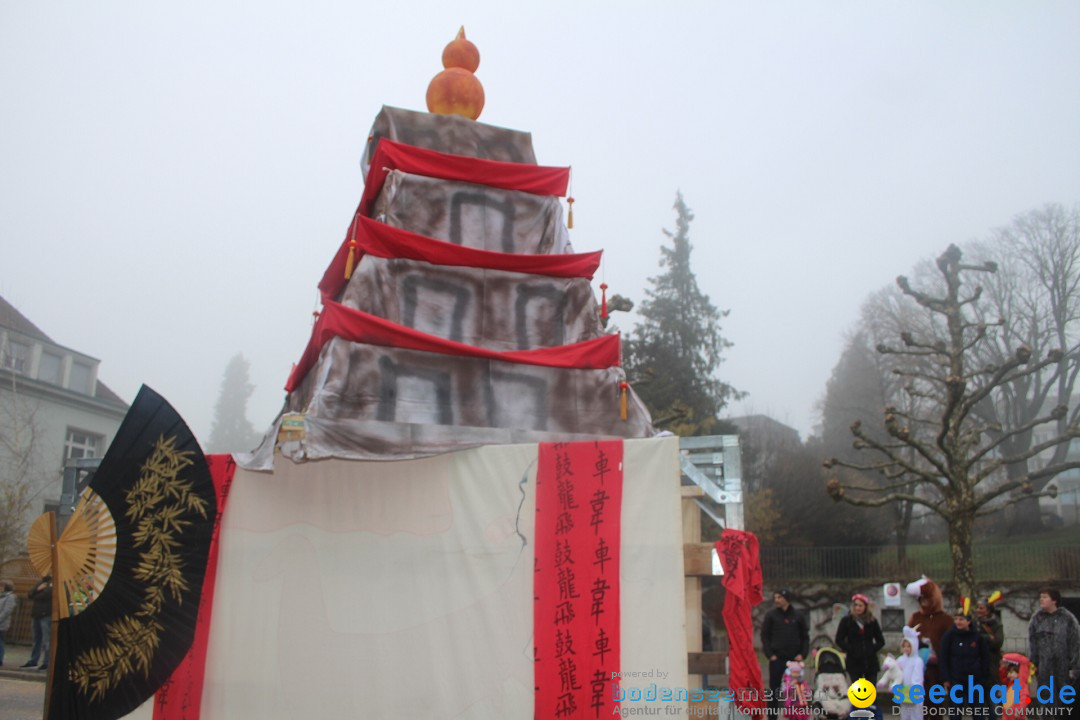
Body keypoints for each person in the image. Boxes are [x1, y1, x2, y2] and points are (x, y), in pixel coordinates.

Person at [1027, 587, 1080, 709]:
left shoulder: (1067, 619)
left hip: (1064, 668)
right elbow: (1032, 642)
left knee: (1065, 701)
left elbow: (1075, 643)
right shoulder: (1037, 619)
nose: (1041, 599)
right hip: (1044, 668)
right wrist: (1033, 664)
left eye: (1045, 597)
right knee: (1046, 700)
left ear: (1054, 600)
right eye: (1040, 597)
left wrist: (1075, 667)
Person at [762, 589, 809, 717]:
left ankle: (796, 716)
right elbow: (765, 636)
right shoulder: (771, 616)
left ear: (786, 599)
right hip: (777, 659)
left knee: (796, 690)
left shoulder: (798, 616)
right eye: (775, 597)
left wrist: (802, 654)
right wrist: (770, 654)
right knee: (774, 690)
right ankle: (772, 717)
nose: (776, 600)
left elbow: (805, 636)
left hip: (794, 660)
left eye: (779, 597)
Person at [939, 606, 990, 714]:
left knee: (978, 711)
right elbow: (943, 657)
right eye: (956, 619)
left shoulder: (977, 636)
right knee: (955, 711)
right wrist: (946, 678)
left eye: (961, 619)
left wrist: (983, 676)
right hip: (955, 680)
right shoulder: (949, 636)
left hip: (975, 680)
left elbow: (985, 657)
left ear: (968, 621)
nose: (958, 622)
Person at [906, 576, 953, 687]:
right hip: (917, 664)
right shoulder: (916, 617)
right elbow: (907, 638)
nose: (924, 603)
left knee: (935, 695)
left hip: (938, 666)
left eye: (927, 600)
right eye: (921, 600)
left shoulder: (945, 619)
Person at [834, 593, 885, 681]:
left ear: (865, 607)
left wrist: (871, 649)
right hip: (854, 662)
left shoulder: (872, 621)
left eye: (860, 605)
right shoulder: (846, 621)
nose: (858, 608)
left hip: (870, 662)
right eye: (856, 605)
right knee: (858, 690)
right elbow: (839, 639)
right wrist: (851, 649)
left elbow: (881, 641)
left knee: (870, 690)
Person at [22, 575, 52, 670]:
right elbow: (30, 594)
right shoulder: (40, 583)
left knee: (46, 640)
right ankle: (33, 660)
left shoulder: (53, 583)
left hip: (46, 614)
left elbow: (46, 595)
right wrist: (38, 589)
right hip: (36, 614)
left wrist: (37, 593)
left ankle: (46, 662)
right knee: (36, 639)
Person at [895, 626, 925, 720]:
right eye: (904, 646)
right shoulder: (901, 659)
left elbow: (918, 678)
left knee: (915, 714)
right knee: (905, 714)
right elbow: (896, 673)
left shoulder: (917, 661)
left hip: (914, 693)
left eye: (909, 646)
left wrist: (914, 690)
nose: (906, 648)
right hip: (903, 692)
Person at [974, 596, 1004, 689]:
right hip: (977, 662)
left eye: (981, 608)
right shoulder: (974, 624)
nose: (978, 610)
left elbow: (997, 642)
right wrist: (988, 638)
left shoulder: (996, 624)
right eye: (977, 608)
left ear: (988, 611)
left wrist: (982, 639)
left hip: (992, 662)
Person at [0, 579, 17, 666]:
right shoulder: (1, 596)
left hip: (2, 624)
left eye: (2, 586)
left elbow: (7, 611)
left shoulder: (10, 597)